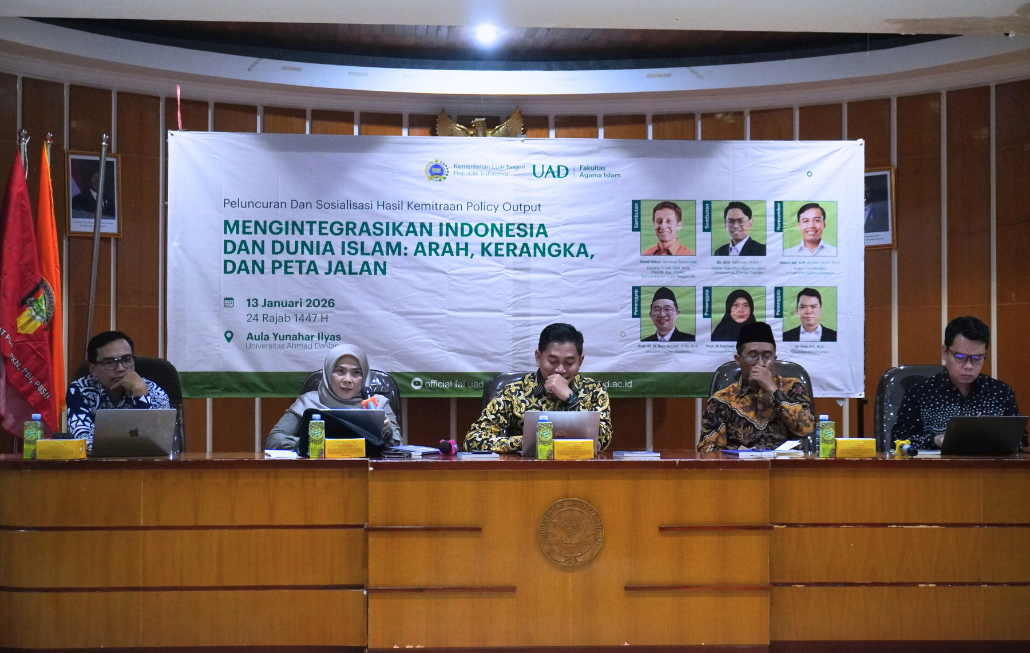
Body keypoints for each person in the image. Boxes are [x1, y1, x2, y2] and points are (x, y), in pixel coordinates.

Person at [465, 323, 612, 453]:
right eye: (553, 361)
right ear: (538, 358)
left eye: (569, 363)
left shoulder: (594, 390)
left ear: (580, 361)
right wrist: (526, 442)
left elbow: (602, 440)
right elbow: (473, 440)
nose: (560, 370)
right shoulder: (514, 392)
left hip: (578, 470)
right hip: (526, 472)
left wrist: (570, 398)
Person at [892, 316, 1023, 450]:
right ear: (945, 352)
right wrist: (934, 440)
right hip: (936, 463)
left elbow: (1020, 442)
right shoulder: (919, 393)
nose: (968, 366)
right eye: (960, 357)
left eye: (977, 358)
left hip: (988, 463)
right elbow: (898, 440)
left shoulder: (1001, 393)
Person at [698, 322, 816, 452]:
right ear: (738, 360)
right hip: (740, 463)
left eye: (767, 356)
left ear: (774, 359)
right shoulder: (722, 399)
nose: (760, 363)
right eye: (753, 356)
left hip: (785, 462)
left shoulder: (793, 388)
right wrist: (736, 451)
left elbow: (807, 429)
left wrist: (773, 389)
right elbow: (707, 448)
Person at [265, 344, 401, 452]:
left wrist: (386, 432)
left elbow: (398, 444)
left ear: (364, 377)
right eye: (340, 371)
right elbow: (274, 439)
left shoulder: (378, 404)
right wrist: (310, 444)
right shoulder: (308, 402)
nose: (347, 379)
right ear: (329, 373)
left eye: (356, 373)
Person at [66, 331, 171, 453]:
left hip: (146, 464)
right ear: (93, 369)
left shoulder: (154, 391)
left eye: (126, 360)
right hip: (98, 464)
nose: (120, 368)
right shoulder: (80, 390)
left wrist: (141, 394)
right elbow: (82, 443)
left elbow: (161, 442)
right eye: (110, 362)